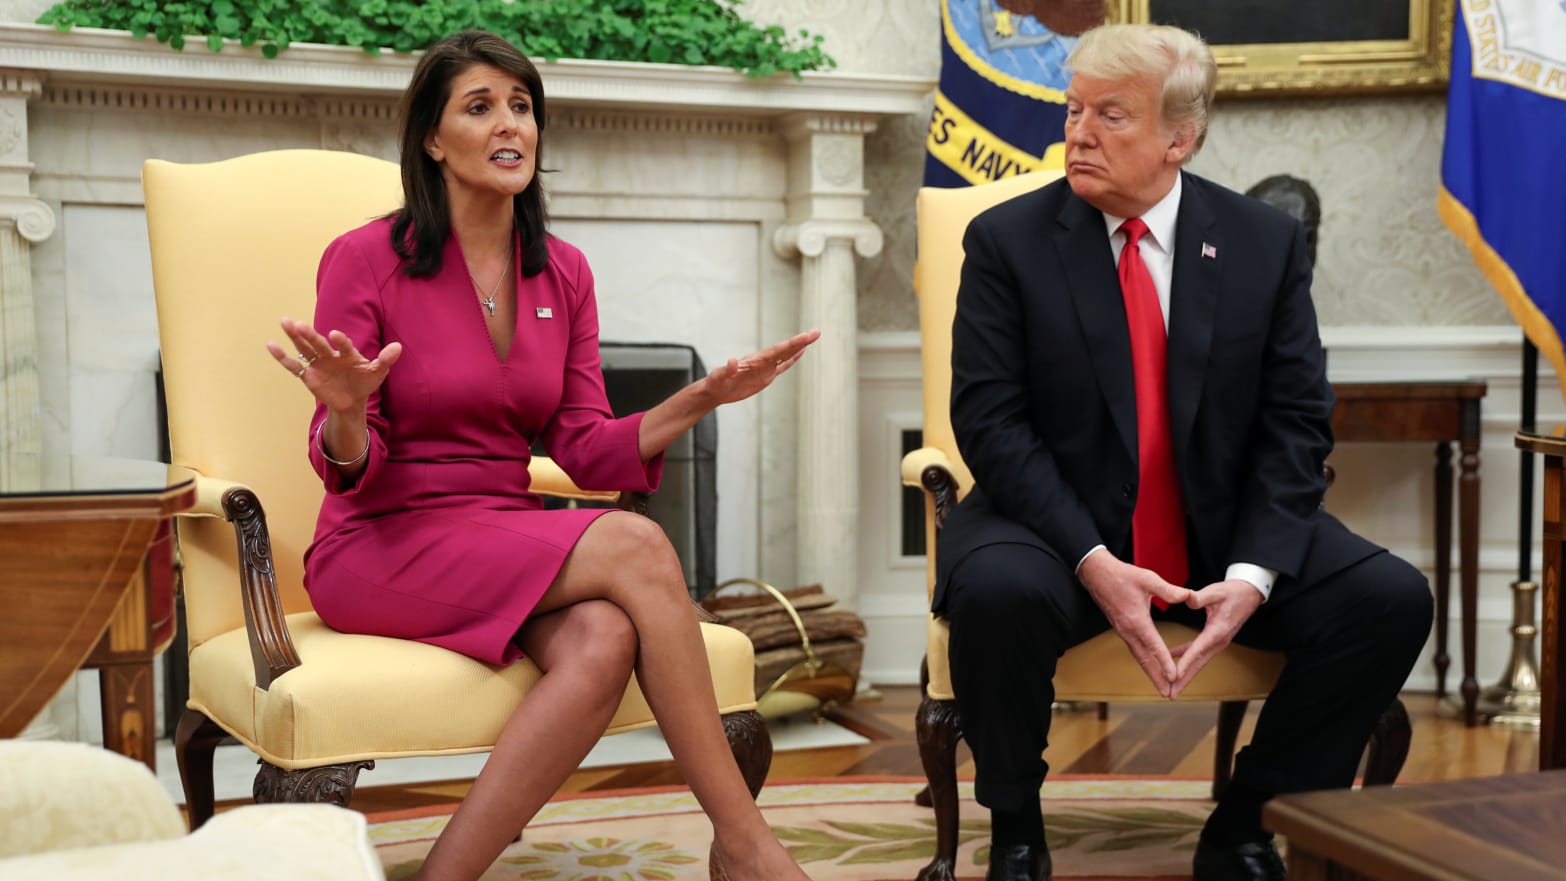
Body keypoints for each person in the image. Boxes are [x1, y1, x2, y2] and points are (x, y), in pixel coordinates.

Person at [264, 30, 818, 881]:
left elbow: (587, 449)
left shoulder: (562, 271)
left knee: (602, 635)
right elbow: (348, 462)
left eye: (521, 106)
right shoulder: (364, 259)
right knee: (635, 544)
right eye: (480, 107)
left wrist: (697, 398)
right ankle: (745, 844)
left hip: (497, 529)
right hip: (378, 539)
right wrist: (343, 409)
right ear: (431, 138)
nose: (509, 124)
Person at [934, 23, 1432, 881]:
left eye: (1110, 116)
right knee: (996, 590)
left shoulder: (1260, 243)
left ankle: (1245, 825)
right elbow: (990, 423)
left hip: (1219, 524)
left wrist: (1253, 574)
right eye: (1074, 109)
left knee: (1389, 599)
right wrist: (1092, 558)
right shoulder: (1006, 241)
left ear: (1180, 137)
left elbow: (1296, 422)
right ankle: (1017, 830)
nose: (1078, 134)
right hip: (1054, 525)